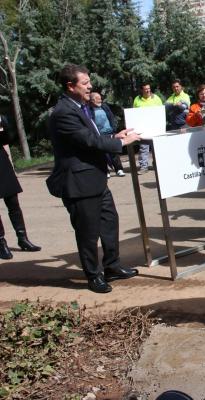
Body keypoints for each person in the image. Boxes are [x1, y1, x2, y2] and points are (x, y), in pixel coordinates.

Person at [46, 64, 141, 293]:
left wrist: (112, 135)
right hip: (79, 184)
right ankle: (93, 275)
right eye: (85, 83)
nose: (90, 87)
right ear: (70, 86)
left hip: (96, 180)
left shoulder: (79, 106)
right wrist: (120, 143)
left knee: (110, 223)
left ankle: (112, 266)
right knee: (88, 233)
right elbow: (87, 141)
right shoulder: (64, 112)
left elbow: (94, 136)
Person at [0, 114, 41, 259]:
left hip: (2, 163)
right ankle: (1, 243)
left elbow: (7, 140)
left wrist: (3, 125)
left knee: (13, 203)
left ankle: (23, 239)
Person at [89, 92, 125, 177]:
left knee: (113, 152)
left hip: (110, 132)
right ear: (92, 100)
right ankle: (106, 171)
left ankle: (119, 169)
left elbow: (111, 117)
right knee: (102, 154)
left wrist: (113, 128)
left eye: (100, 98)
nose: (100, 100)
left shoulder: (104, 106)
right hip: (99, 134)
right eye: (98, 99)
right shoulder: (89, 109)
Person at [133, 83, 163, 175]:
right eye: (145, 89)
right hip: (143, 128)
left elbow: (161, 112)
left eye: (149, 88)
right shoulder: (137, 99)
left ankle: (157, 165)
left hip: (155, 128)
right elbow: (134, 113)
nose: (148, 90)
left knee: (156, 148)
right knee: (143, 148)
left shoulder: (156, 98)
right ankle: (143, 167)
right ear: (142, 90)